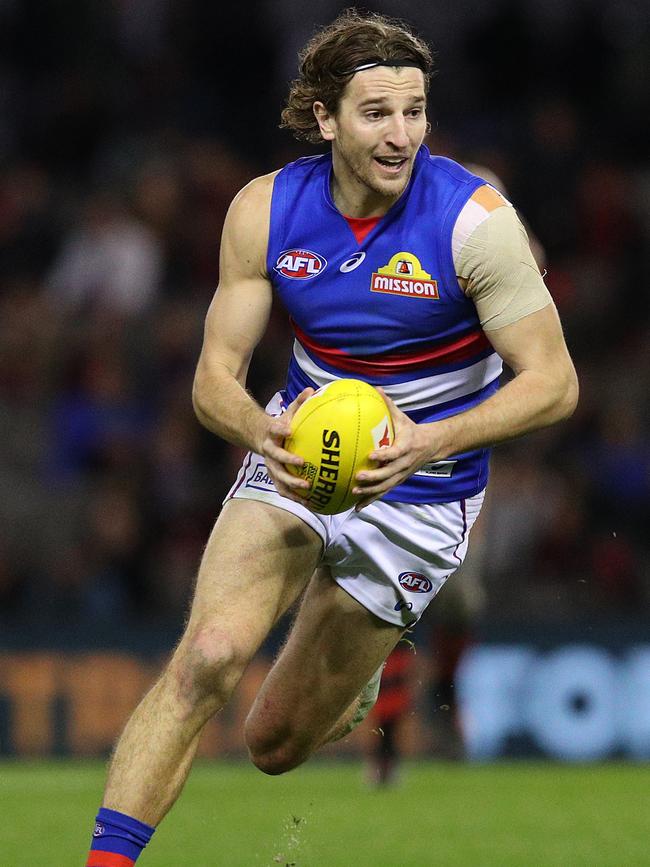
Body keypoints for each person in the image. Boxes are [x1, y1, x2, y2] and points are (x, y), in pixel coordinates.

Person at [85, 10, 578, 865]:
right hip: (298, 456)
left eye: (415, 111)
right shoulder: (267, 209)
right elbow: (213, 380)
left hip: (424, 496)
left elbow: (555, 383)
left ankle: (353, 688)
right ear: (324, 117)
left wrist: (429, 441)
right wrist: (262, 431)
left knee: (273, 745)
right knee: (206, 657)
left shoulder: (475, 220)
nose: (402, 135)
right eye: (377, 113)